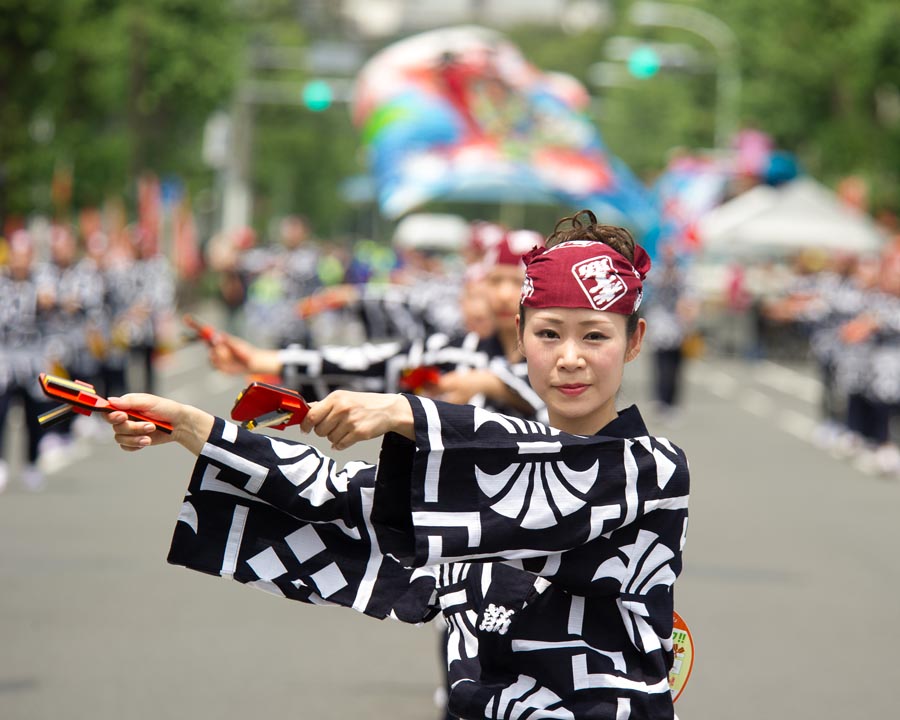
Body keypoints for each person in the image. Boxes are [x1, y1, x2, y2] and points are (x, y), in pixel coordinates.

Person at [103, 210, 690, 719]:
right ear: (520, 334)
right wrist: (191, 427)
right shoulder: (471, 477)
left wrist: (405, 413)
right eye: (548, 333)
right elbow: (340, 494)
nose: (569, 357)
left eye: (595, 336)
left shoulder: (652, 472)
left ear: (635, 341)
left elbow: (539, 469)